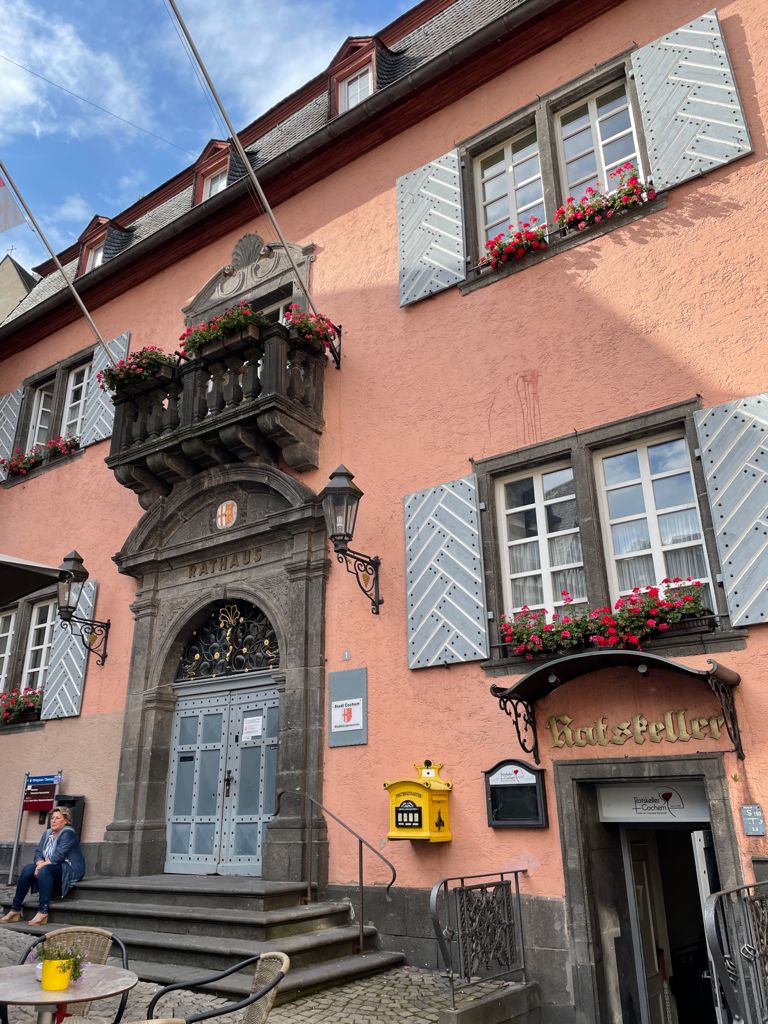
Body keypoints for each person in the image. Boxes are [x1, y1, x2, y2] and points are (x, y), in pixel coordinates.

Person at [0, 806, 85, 925]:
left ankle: (43, 911)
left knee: (44, 870)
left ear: (66, 821)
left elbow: (58, 857)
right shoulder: (48, 833)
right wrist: (39, 863)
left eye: (57, 818)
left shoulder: (68, 833)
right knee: (28, 869)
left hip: (69, 868)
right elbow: (39, 852)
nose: (53, 821)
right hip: (51, 866)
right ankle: (15, 909)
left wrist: (41, 867)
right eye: (52, 818)